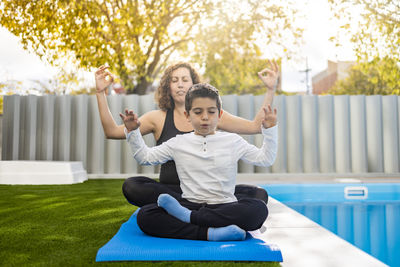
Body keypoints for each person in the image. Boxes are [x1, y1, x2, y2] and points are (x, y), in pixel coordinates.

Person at [94, 61, 279, 207]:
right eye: (174, 80)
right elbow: (112, 132)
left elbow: (256, 126)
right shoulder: (156, 118)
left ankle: (184, 213)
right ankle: (182, 209)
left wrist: (270, 90)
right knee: (132, 186)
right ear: (168, 86)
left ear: (194, 84)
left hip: (209, 193)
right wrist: (100, 92)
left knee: (258, 195)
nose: (180, 85)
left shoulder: (212, 116)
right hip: (172, 192)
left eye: (185, 80)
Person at [120, 83, 278, 241]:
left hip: (224, 205)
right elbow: (145, 157)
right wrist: (133, 131)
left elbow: (265, 159)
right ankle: (210, 233)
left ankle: (191, 219)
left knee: (258, 210)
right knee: (146, 216)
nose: (205, 117)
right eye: (198, 112)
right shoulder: (178, 142)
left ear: (219, 114)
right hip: (189, 203)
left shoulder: (233, 140)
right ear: (187, 115)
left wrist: (270, 130)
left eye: (211, 112)